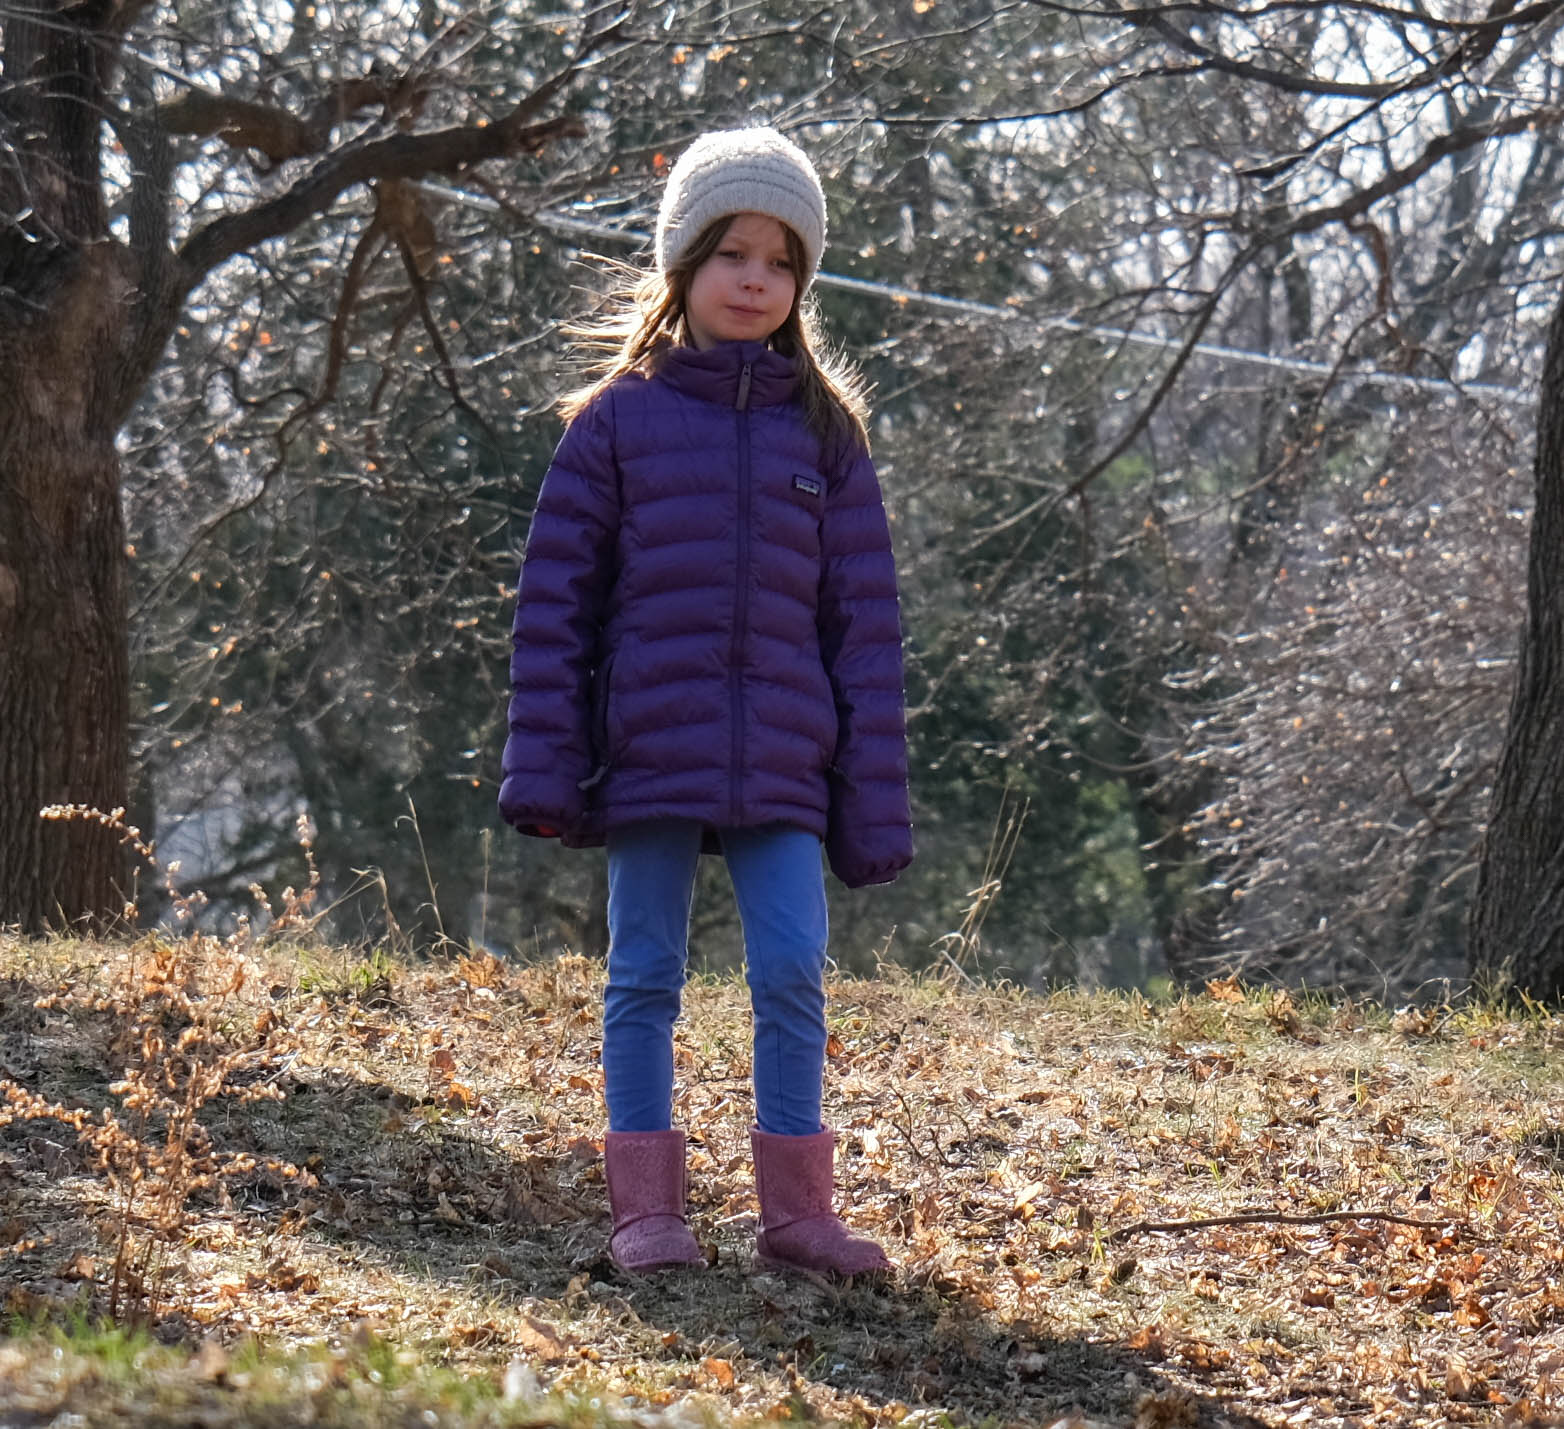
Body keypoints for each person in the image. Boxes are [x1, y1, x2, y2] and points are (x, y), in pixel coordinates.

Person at [498, 126, 913, 1279]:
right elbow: (555, 606)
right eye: (732, 252)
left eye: (781, 262)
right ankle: (645, 1212)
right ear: (683, 261)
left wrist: (871, 801)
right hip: (648, 751)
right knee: (644, 973)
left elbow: (864, 633)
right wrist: (547, 763)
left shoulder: (825, 434)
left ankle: (798, 1218)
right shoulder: (615, 422)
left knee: (791, 971)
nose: (754, 280)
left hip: (785, 756)